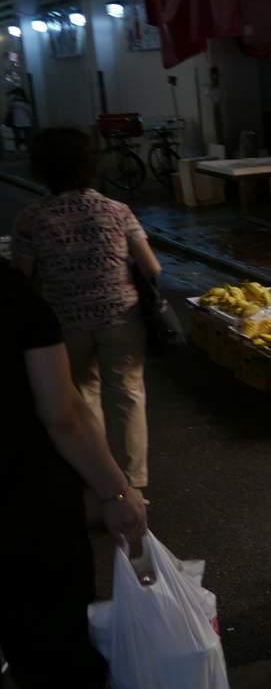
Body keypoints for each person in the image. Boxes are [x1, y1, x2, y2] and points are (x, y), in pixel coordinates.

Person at [1, 265, 148, 688]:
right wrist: (117, 493)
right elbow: (62, 412)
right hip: (25, 510)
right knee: (53, 656)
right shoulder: (9, 290)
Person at [13, 127, 162, 497]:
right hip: (122, 319)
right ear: (90, 164)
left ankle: (100, 486)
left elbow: (21, 276)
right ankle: (133, 486)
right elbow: (152, 268)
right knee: (127, 395)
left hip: (64, 323)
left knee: (82, 398)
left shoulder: (31, 218)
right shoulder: (117, 210)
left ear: (41, 168)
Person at [4, 87, 33, 153]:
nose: (18, 94)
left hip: (24, 121)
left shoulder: (23, 101)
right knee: (19, 137)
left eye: (18, 93)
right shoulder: (15, 100)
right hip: (18, 121)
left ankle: (27, 150)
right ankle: (20, 150)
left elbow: (28, 110)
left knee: (26, 137)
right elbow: (9, 107)